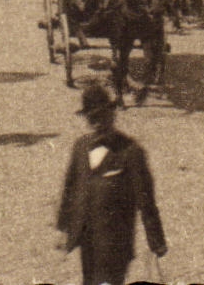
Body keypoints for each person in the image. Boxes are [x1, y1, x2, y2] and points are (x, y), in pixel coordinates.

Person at [55, 82, 168, 285]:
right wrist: (63, 229)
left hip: (115, 243)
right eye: (92, 118)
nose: (98, 123)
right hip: (87, 241)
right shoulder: (80, 148)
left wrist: (156, 242)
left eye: (102, 117)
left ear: (112, 115)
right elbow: (70, 189)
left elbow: (146, 202)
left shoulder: (130, 152)